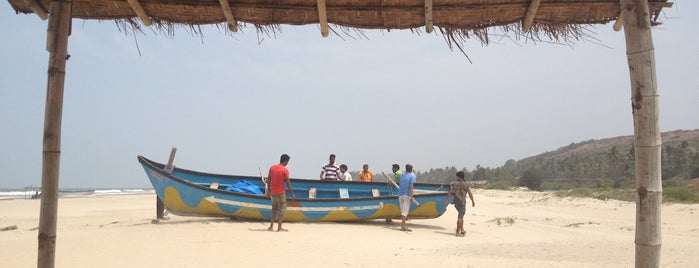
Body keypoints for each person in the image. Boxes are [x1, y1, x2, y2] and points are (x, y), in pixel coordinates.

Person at [266, 154, 296, 232]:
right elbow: (288, 183)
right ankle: (279, 228)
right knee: (282, 210)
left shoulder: (272, 167)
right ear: (285, 161)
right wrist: (292, 193)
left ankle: (271, 226)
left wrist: (268, 190)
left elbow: (269, 179)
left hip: (273, 192)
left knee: (274, 210)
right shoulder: (285, 170)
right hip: (281, 192)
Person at [445, 171, 475, 237]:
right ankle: (457, 232)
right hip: (462, 202)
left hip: (456, 202)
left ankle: (462, 230)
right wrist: (472, 201)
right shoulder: (466, 184)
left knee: (461, 215)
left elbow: (450, 192)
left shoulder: (454, 184)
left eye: (457, 176)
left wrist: (447, 200)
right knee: (460, 217)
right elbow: (470, 193)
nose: (456, 177)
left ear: (459, 177)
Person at [398, 164, 416, 232]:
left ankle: (403, 226)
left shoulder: (402, 175)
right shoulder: (412, 176)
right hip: (406, 195)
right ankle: (403, 227)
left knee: (403, 211)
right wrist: (412, 196)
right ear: (411, 169)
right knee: (405, 212)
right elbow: (411, 186)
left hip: (400, 195)